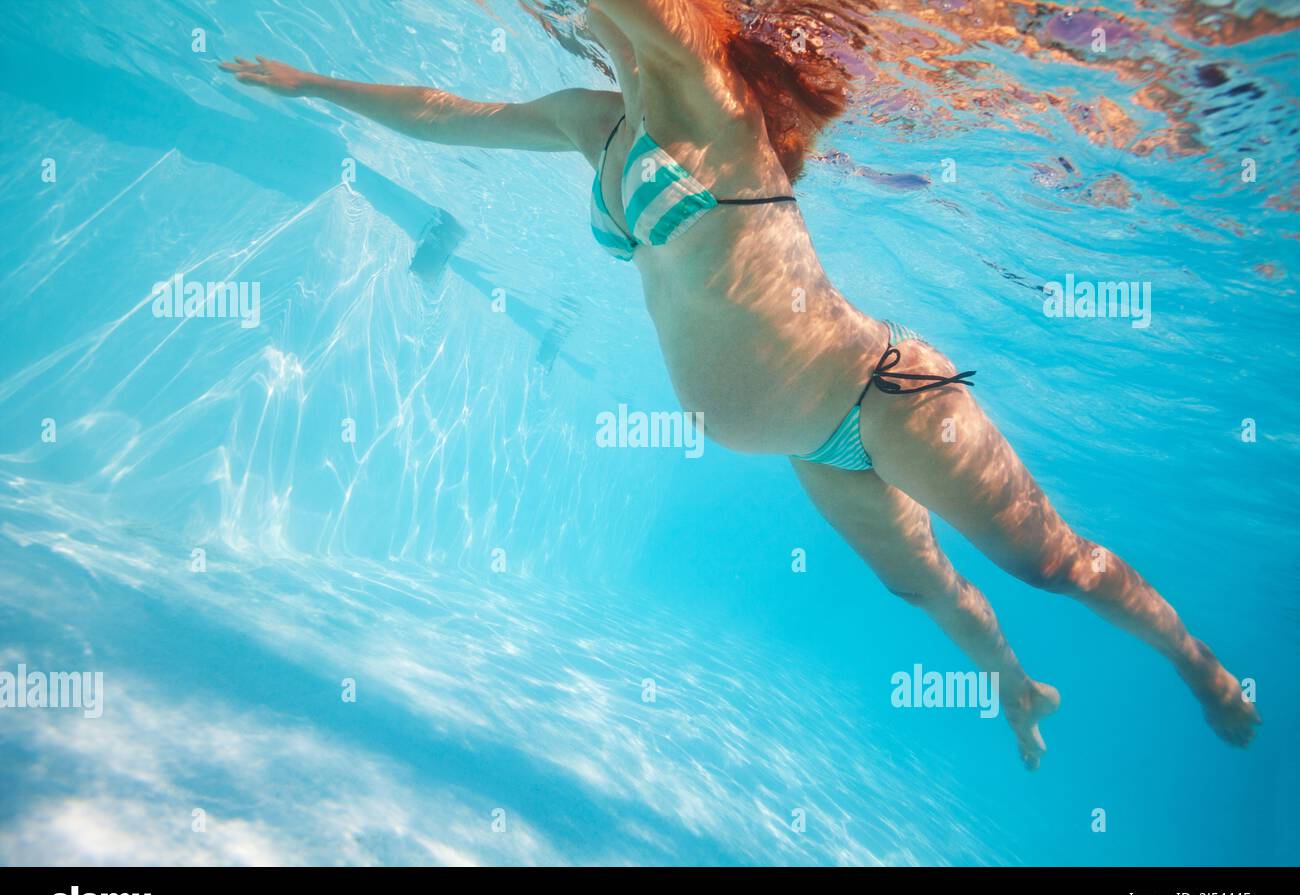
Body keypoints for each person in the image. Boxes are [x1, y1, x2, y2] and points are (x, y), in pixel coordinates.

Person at [221, 0, 1259, 768]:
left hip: (883, 397)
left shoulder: (717, 104)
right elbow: (450, 114)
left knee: (1053, 564)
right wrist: (317, 85)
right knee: (921, 584)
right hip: (814, 442)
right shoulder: (598, 124)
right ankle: (1013, 685)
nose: (591, 26)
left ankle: (1197, 664)